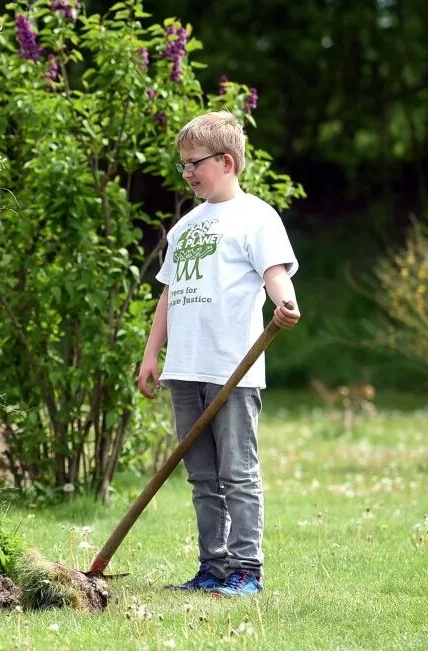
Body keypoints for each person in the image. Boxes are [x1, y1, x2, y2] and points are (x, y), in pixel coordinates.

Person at [136, 111, 301, 597]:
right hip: (185, 369)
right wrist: (152, 355)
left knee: (237, 473)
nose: (187, 173)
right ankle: (213, 567)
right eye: (183, 165)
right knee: (203, 477)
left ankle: (247, 570)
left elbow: (274, 271)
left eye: (195, 164)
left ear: (226, 161)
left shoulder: (256, 216)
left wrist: (284, 300)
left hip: (233, 369)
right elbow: (168, 294)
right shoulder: (186, 226)